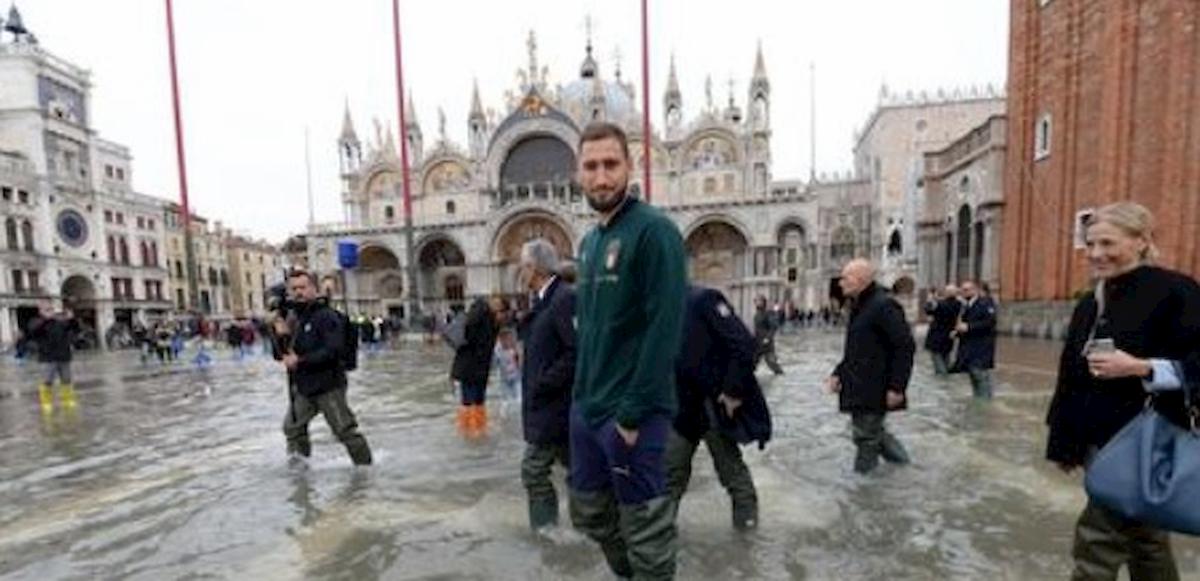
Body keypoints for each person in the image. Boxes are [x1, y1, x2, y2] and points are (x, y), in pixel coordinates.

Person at [1045, 202, 1200, 580]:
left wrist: (1143, 367)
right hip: (1096, 439)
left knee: (1096, 541)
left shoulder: (1177, 291)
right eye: (1090, 244)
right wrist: (1064, 442)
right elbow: (1070, 376)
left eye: (1108, 243)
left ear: (1141, 241)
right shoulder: (1089, 302)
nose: (1096, 253)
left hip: (1149, 437)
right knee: (1144, 538)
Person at [569, 122, 686, 580]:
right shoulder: (589, 243)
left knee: (645, 527)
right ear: (578, 172)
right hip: (588, 409)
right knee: (590, 513)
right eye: (591, 166)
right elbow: (590, 329)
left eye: (610, 164)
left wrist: (633, 413)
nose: (601, 177)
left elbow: (665, 329)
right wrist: (578, 403)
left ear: (629, 167)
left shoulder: (654, 231)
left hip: (634, 412)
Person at [667, 286, 770, 531]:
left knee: (730, 471)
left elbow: (745, 345)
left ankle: (747, 535)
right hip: (680, 406)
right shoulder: (656, 308)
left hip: (712, 403)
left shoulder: (703, 299)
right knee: (669, 474)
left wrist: (733, 391)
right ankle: (658, 540)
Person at [826, 259, 915, 474]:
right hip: (859, 386)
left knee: (865, 438)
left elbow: (905, 346)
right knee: (874, 434)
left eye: (845, 278)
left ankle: (863, 488)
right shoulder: (860, 306)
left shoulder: (884, 305)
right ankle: (908, 472)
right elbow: (857, 350)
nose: (840, 283)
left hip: (875, 387)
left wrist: (897, 387)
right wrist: (838, 374)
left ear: (861, 279)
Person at [275, 269, 372, 466]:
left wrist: (300, 360)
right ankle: (300, 469)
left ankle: (365, 469)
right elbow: (280, 355)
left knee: (344, 430)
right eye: (294, 289)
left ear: (314, 289)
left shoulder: (327, 317)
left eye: (303, 287)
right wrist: (279, 335)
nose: (298, 292)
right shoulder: (292, 318)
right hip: (303, 386)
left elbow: (333, 351)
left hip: (329, 385)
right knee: (292, 428)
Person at [515, 238, 576, 533]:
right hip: (547, 406)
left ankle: (546, 534)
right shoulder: (543, 300)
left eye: (523, 266)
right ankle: (591, 527)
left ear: (534, 267)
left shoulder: (563, 298)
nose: (520, 272)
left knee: (533, 471)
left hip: (555, 406)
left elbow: (577, 351)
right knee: (577, 471)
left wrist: (543, 383)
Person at [450, 295, 508, 438]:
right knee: (469, 402)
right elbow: (469, 330)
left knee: (478, 401)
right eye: (501, 312)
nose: (503, 317)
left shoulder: (493, 322)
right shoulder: (479, 313)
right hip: (469, 367)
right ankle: (469, 432)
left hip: (481, 368)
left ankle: (478, 430)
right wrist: (486, 308)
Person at [28, 306, 81, 414]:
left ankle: (68, 401)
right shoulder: (36, 322)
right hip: (48, 358)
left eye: (51, 309)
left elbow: (75, 328)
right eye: (47, 310)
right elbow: (34, 332)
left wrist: (72, 318)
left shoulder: (60, 323)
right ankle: (47, 403)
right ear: (41, 312)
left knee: (66, 379)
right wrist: (46, 320)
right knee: (47, 381)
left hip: (64, 356)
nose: (50, 312)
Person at [952, 280, 997, 399]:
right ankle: (978, 399)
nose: (964, 293)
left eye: (967, 290)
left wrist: (969, 327)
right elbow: (964, 324)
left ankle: (985, 401)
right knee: (973, 375)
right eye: (963, 290)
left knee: (980, 375)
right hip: (969, 348)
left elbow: (990, 322)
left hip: (982, 348)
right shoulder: (966, 306)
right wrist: (957, 332)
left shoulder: (985, 303)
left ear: (975, 290)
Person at [923, 285, 960, 376]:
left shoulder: (940, 304)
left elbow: (928, 310)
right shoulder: (958, 304)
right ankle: (946, 376)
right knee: (946, 359)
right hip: (949, 337)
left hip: (936, 338)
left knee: (938, 363)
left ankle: (943, 378)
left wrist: (931, 300)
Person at [753, 296, 784, 375]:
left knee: (771, 362)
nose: (757, 303)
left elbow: (773, 327)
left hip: (767, 343)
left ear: (763, 302)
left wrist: (768, 338)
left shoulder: (768, 313)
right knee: (752, 361)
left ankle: (780, 375)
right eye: (756, 301)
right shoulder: (757, 314)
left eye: (759, 301)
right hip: (757, 342)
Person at [492, 328, 522, 413]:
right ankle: (505, 412)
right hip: (504, 378)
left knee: (519, 397)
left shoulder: (515, 349)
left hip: (516, 377)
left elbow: (520, 361)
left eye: (509, 339)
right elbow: (494, 363)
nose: (506, 342)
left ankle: (517, 412)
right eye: (503, 339)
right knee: (505, 399)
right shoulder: (498, 351)